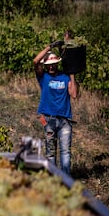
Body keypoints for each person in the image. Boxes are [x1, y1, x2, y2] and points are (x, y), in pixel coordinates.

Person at [33, 42, 78, 175]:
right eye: (48, 65)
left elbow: (74, 94)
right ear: (46, 66)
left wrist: (72, 73)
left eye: (53, 64)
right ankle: (52, 181)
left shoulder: (65, 77)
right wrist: (49, 47)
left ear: (57, 64)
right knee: (50, 153)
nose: (51, 67)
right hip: (48, 120)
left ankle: (66, 181)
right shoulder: (43, 77)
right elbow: (35, 61)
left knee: (65, 152)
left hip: (65, 120)